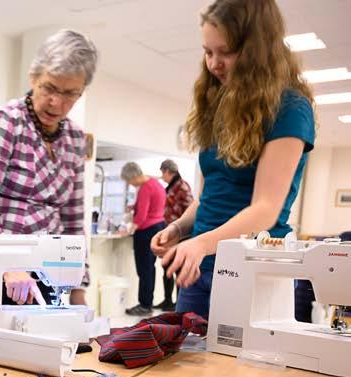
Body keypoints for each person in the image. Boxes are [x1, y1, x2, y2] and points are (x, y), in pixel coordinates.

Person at [151, 0, 315, 319]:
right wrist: (180, 227)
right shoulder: (219, 105)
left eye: (225, 52)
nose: (214, 64)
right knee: (186, 362)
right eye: (208, 52)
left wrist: (200, 244)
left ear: (258, 50)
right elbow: (212, 192)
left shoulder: (291, 108)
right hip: (199, 270)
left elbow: (265, 208)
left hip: (251, 268)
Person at [0, 29, 98, 305]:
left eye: (70, 93)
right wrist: (7, 264)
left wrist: (78, 286)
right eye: (50, 88)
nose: (57, 102)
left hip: (42, 270)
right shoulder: (5, 123)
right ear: (34, 77)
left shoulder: (75, 138)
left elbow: (73, 221)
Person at [121, 162, 167, 316]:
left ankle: (144, 305)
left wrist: (129, 229)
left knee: (144, 270)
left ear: (133, 176)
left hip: (146, 231)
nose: (130, 184)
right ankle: (148, 302)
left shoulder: (145, 188)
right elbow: (155, 205)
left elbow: (141, 216)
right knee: (150, 268)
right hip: (158, 227)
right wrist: (134, 206)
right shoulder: (155, 183)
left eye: (129, 181)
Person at [154, 159, 193, 311]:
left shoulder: (182, 187)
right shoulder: (171, 187)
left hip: (181, 236)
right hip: (171, 233)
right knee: (167, 269)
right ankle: (167, 301)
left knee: (178, 270)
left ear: (168, 171)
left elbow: (190, 211)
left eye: (162, 173)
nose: (162, 176)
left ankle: (178, 303)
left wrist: (180, 231)